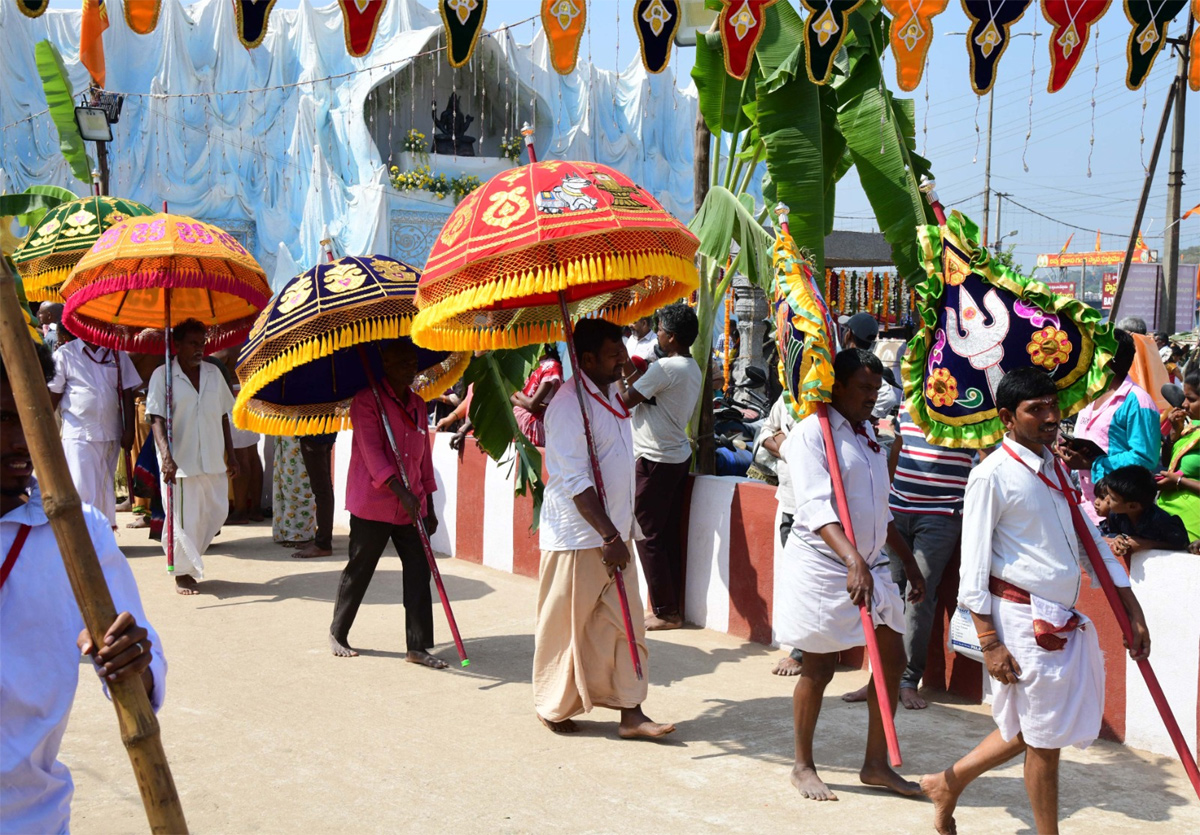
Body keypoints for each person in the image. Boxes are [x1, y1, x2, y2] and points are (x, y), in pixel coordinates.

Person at [921, 367, 1151, 835]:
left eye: (1053, 406)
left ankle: (947, 783)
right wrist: (989, 642)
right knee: (1044, 740)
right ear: (1007, 417)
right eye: (1037, 409)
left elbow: (1089, 538)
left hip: (1057, 617)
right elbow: (972, 569)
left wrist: (1132, 609)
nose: (1051, 417)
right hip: (1022, 620)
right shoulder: (991, 475)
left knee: (1036, 729)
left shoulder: (1057, 467)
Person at [1, 340, 166, 834]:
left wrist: (133, 660)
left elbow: (144, 662)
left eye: (33, 418)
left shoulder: (79, 534)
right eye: (3, 419)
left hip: (29, 817)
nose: (22, 440)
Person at [777, 348, 926, 801]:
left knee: (892, 662)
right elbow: (816, 508)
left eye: (876, 391)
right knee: (819, 667)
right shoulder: (809, 434)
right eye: (863, 389)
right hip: (826, 567)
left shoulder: (868, 437)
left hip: (871, 566)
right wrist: (851, 560)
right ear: (835, 385)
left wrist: (908, 563)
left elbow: (880, 513)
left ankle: (875, 764)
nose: (871, 398)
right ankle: (803, 766)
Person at [533, 318, 674, 739]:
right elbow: (575, 480)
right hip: (579, 537)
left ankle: (632, 712)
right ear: (587, 358)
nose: (621, 362)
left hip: (616, 532)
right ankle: (552, 705)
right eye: (613, 355)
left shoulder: (610, 393)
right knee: (566, 626)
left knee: (625, 621)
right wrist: (609, 536)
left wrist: (618, 533)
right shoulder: (566, 405)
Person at [843, 401, 975, 710]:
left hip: (942, 513)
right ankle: (879, 679)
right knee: (886, 597)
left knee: (918, 597)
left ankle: (906, 680)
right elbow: (898, 447)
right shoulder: (910, 402)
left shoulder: (974, 406)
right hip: (896, 512)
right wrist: (884, 499)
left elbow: (984, 458)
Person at [329, 341, 444, 668]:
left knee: (420, 571)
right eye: (403, 361)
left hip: (413, 507)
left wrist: (428, 504)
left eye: (413, 361)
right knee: (360, 567)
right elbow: (373, 454)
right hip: (374, 504)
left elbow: (424, 461)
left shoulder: (419, 405)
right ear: (386, 363)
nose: (411, 367)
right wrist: (400, 491)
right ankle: (338, 632)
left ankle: (418, 646)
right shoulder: (366, 403)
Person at [619, 304, 702, 631]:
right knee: (664, 535)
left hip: (654, 458)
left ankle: (667, 611)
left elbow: (626, 399)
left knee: (647, 534)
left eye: (663, 330)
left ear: (673, 338)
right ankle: (669, 607)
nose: (659, 334)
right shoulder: (688, 367)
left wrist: (618, 369)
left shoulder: (666, 368)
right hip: (674, 457)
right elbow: (646, 387)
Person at [146, 319, 238, 595]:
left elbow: (223, 415)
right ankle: (181, 573)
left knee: (216, 512)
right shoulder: (162, 376)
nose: (199, 349)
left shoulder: (213, 373)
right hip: (180, 462)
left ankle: (189, 560)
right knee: (182, 520)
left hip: (212, 458)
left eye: (203, 344)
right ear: (177, 345)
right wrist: (166, 457)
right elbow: (156, 418)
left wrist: (231, 455)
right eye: (193, 344)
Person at [1059, 329, 1159, 524]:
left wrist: (1091, 464)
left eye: (1092, 352)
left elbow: (1145, 458)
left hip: (1118, 510)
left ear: (1107, 359)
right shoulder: (1091, 394)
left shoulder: (1138, 401)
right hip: (1087, 504)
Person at [48, 335, 141, 527]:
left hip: (110, 434)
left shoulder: (117, 354)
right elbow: (53, 395)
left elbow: (127, 394)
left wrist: (129, 429)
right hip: (78, 433)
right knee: (81, 487)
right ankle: (82, 537)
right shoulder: (65, 354)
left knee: (104, 490)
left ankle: (103, 536)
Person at [758, 395, 802, 676]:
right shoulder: (786, 398)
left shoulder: (824, 396)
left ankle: (803, 653)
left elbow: (813, 449)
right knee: (795, 581)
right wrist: (790, 449)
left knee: (807, 583)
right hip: (788, 504)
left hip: (816, 511)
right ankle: (802, 649)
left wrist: (785, 442)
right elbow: (764, 432)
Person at [1094, 466, 1190, 556]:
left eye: (1113, 498)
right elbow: (1115, 533)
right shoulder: (1115, 515)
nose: (1106, 499)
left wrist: (1149, 544)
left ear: (1133, 506)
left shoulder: (1161, 521)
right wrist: (1117, 539)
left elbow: (1181, 544)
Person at [1157, 370, 1200, 540]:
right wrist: (1174, 432)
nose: (1184, 405)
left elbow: (1177, 475)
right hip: (1169, 514)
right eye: (1184, 398)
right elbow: (1168, 462)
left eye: (1192, 399)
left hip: (1193, 523)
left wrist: (1179, 482)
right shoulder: (1193, 426)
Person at [840, 312, 898, 419]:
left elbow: (889, 398)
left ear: (849, 334)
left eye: (845, 329)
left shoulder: (863, 367)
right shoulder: (864, 365)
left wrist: (865, 419)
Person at [511, 344, 564, 446]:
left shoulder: (552, 366)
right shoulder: (529, 364)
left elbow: (532, 404)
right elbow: (511, 397)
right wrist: (526, 403)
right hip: (518, 428)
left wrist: (517, 392)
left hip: (535, 429)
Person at [294, 434, 336, 558]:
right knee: (325, 487)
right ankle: (322, 538)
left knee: (322, 489)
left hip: (313, 431)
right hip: (322, 428)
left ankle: (323, 543)